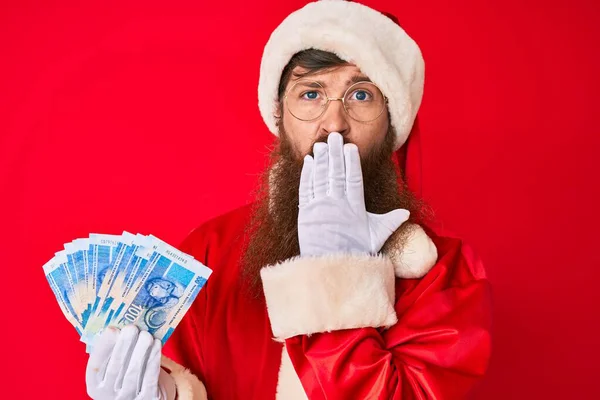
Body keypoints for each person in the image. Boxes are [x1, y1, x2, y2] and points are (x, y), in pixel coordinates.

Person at [84, 1, 492, 399]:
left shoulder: (445, 273)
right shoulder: (208, 253)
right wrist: (164, 393)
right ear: (279, 113)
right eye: (311, 94)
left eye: (362, 95)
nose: (334, 123)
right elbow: (181, 367)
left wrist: (337, 281)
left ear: (393, 123)